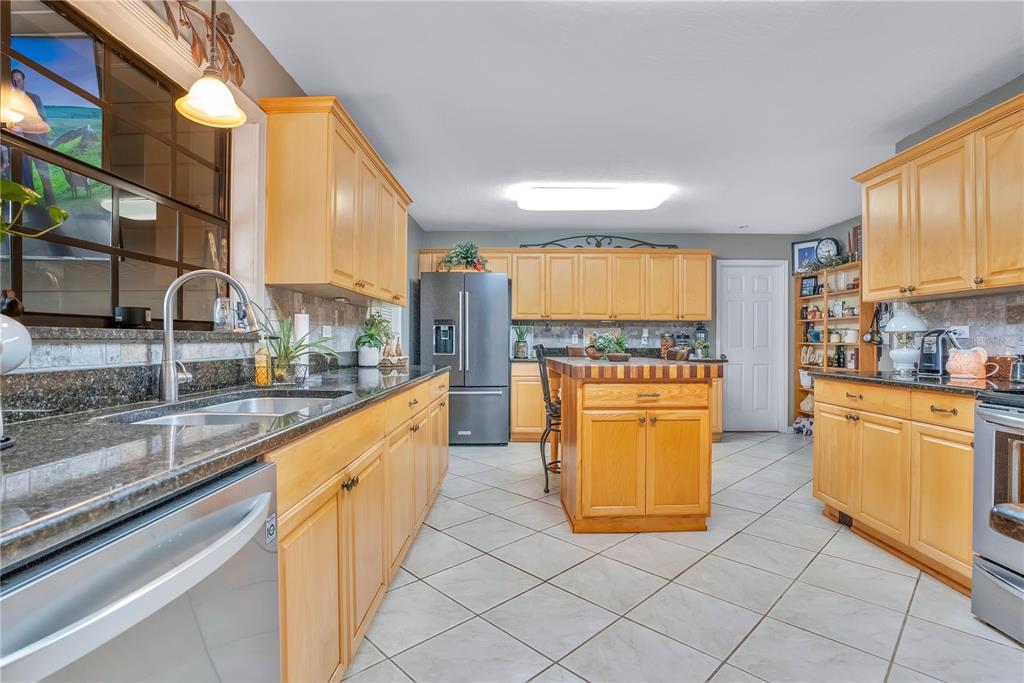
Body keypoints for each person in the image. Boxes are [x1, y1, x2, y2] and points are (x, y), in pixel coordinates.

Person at [11, 68, 56, 205]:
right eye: (14, 80)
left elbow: (44, 120)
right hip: (21, 141)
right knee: (26, 176)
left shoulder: (35, 98)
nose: (17, 82)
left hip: (37, 141)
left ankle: (51, 203)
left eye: (19, 79)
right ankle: (32, 205)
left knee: (44, 173)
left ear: (23, 80)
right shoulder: (8, 100)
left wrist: (25, 127)